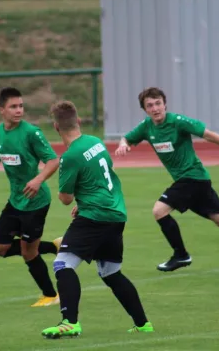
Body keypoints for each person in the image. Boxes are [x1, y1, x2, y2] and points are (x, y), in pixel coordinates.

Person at [115, 87, 219, 272]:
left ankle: (181, 255)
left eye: (158, 103)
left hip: (192, 178)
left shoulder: (177, 122)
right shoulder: (147, 126)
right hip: (197, 182)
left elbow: (207, 134)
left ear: (165, 103)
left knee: (159, 210)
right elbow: (126, 138)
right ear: (145, 110)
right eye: (150, 105)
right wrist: (123, 145)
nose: (155, 108)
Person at [41, 100, 153, 339]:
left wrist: (76, 199)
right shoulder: (96, 142)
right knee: (111, 272)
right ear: (78, 121)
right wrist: (83, 200)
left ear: (56, 127)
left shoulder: (70, 156)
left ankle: (70, 322)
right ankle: (143, 324)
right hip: (116, 214)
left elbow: (64, 199)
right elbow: (101, 177)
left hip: (95, 217)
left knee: (62, 264)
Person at [0, 87, 62, 308]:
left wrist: (38, 180)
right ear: (2, 110)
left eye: (21, 106)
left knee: (29, 252)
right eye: (13, 106)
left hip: (36, 201)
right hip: (16, 200)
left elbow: (53, 160)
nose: (19, 110)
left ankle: (51, 295)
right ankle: (56, 247)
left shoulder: (32, 133)